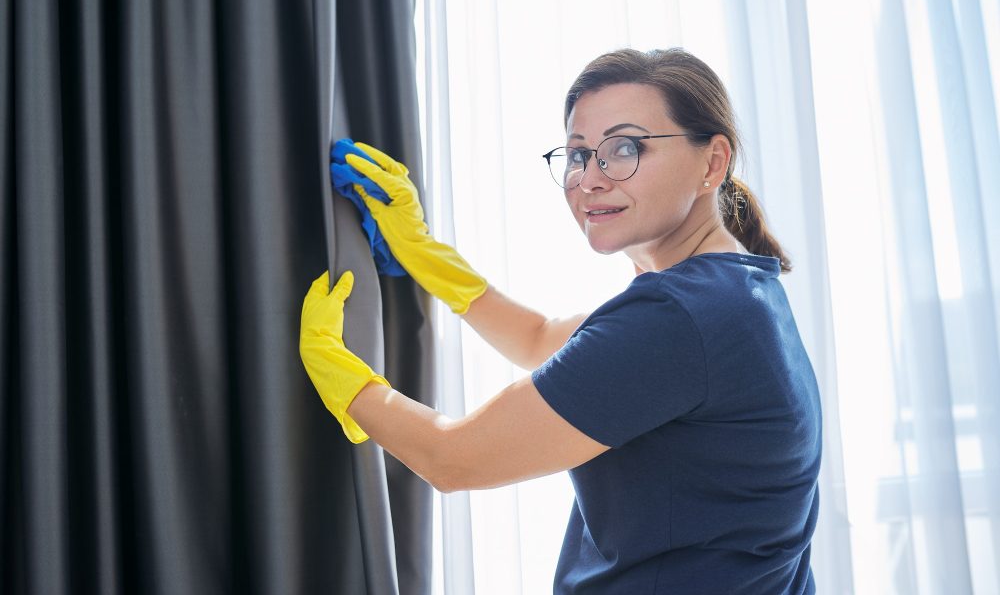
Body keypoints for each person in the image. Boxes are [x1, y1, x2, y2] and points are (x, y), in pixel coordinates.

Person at [300, 48, 821, 594]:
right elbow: (542, 339)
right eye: (577, 154)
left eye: (625, 148)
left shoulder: (681, 317)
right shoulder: (737, 288)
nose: (589, 179)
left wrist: (332, 367)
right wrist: (425, 254)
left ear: (713, 162)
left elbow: (453, 459)